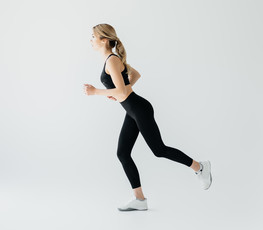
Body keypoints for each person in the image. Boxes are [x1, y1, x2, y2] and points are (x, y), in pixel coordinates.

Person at [84, 23, 212, 211]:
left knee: (159, 150)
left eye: (93, 37)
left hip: (140, 109)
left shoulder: (111, 60)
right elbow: (134, 76)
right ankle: (140, 200)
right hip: (132, 110)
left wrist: (97, 92)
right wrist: (119, 92)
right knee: (123, 153)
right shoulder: (112, 60)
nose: (91, 40)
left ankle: (200, 167)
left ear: (104, 40)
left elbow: (121, 90)